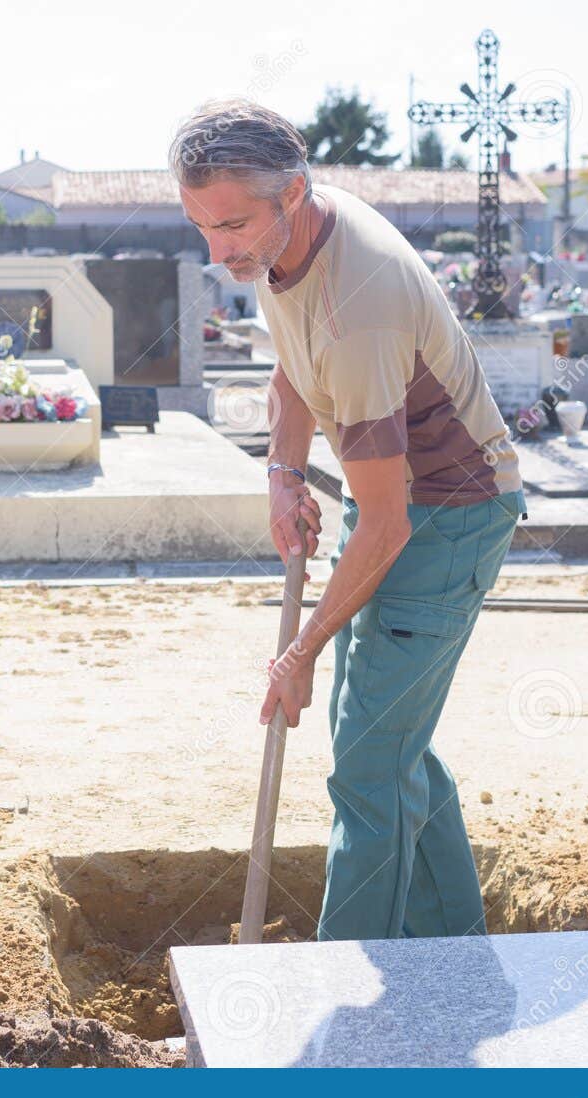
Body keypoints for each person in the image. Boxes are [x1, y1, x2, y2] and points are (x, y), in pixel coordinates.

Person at [171, 98, 527, 941]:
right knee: (382, 734)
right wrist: (284, 472)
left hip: (450, 516)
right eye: (202, 229)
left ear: (292, 191)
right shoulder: (285, 244)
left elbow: (389, 527)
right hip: (397, 500)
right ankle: (450, 946)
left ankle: (351, 985)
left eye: (231, 228)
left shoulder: (356, 303)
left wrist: (299, 651)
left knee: (368, 765)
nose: (218, 254)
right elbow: (294, 371)